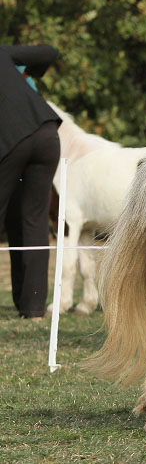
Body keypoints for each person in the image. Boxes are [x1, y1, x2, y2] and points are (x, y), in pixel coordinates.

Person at [0, 44, 62, 319]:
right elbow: (48, 52)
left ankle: (31, 304)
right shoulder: (2, 52)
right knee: (31, 219)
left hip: (11, 140)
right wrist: (27, 75)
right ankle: (32, 308)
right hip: (46, 133)